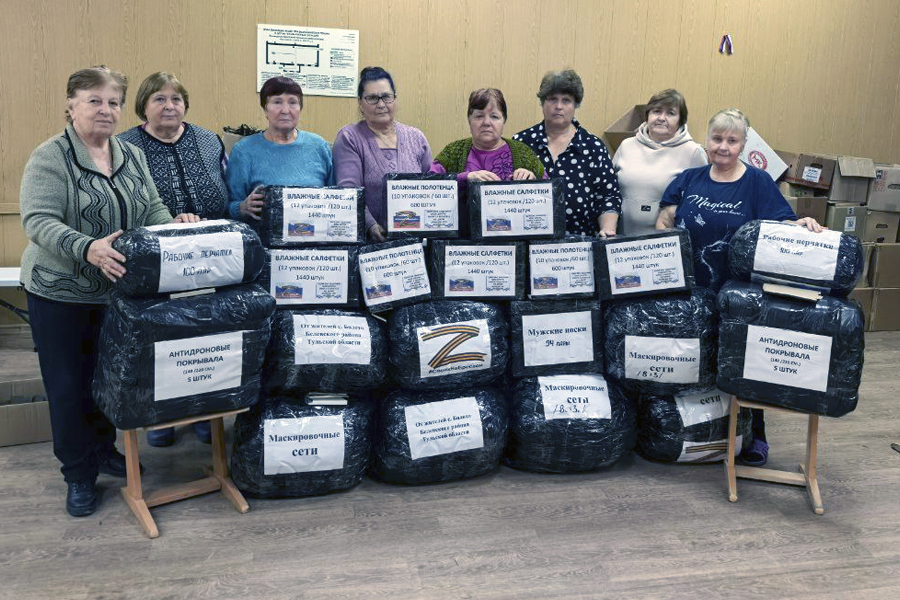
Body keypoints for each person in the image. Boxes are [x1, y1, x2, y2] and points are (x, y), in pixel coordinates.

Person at [20, 66, 199, 517]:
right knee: (69, 386)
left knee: (107, 380)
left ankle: (102, 449)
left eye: (113, 102)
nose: (106, 110)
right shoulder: (50, 156)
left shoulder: (129, 153)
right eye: (94, 100)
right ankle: (78, 473)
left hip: (117, 294)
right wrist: (88, 248)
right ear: (71, 106)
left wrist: (173, 228)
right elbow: (38, 221)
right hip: (61, 293)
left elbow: (151, 206)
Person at [656, 108, 823, 468]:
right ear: (707, 140)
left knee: (744, 365)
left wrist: (802, 224)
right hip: (691, 295)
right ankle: (699, 433)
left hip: (740, 297)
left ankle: (755, 434)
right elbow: (664, 223)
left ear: (743, 144)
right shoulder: (688, 179)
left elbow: (782, 225)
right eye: (717, 138)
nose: (723, 146)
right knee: (695, 363)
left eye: (732, 140)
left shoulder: (758, 182)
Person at [119, 71, 229, 447]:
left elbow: (226, 191)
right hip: (154, 265)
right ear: (143, 106)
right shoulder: (124, 145)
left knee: (208, 338)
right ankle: (161, 416)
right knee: (161, 340)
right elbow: (126, 204)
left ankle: (206, 413)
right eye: (159, 99)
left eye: (176, 99)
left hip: (211, 260)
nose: (169, 106)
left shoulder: (209, 140)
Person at [513, 70, 621, 237]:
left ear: (575, 105)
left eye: (566, 100)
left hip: (581, 243)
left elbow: (608, 196)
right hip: (529, 240)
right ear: (543, 102)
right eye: (552, 99)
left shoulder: (593, 147)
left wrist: (608, 229)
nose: (558, 106)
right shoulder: (521, 142)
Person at [333, 67, 432, 242]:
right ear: (360, 103)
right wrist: (370, 225)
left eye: (386, 96)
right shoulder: (350, 137)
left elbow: (430, 187)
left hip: (414, 243)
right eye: (372, 98)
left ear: (395, 98)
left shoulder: (417, 137)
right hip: (369, 243)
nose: (380, 104)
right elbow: (349, 191)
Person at [226, 77, 334, 221]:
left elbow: (336, 197)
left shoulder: (319, 146)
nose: (285, 110)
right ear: (265, 109)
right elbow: (227, 207)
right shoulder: (243, 151)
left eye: (293, 102)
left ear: (300, 108)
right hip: (262, 233)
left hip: (316, 230)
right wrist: (242, 208)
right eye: (277, 102)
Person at [613, 88, 707, 235]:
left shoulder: (693, 152)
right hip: (621, 238)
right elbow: (609, 190)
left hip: (666, 242)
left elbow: (701, 203)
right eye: (656, 111)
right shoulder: (626, 145)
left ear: (681, 120)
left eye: (671, 113)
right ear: (647, 115)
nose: (662, 118)